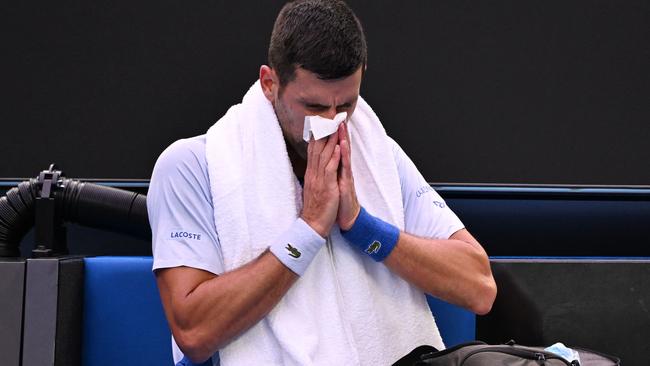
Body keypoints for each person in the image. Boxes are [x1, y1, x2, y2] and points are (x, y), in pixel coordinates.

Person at [147, 1, 496, 365]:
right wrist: (309, 229)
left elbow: (479, 287)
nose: (333, 123)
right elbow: (195, 333)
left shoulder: (379, 154)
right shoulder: (190, 166)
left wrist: (362, 226)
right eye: (313, 107)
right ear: (270, 83)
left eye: (346, 104)